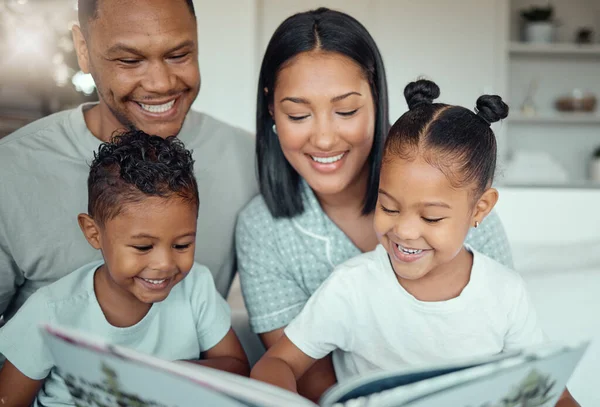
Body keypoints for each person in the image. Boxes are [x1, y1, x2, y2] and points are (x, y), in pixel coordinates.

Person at [236, 8, 513, 400]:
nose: (325, 139)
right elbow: (310, 379)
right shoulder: (264, 231)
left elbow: (512, 356)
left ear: (376, 99)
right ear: (271, 109)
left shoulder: (458, 199)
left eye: (346, 111)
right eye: (298, 114)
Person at [249, 79, 579, 407]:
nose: (404, 231)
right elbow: (277, 364)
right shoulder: (351, 288)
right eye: (388, 207)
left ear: (480, 209)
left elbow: (552, 392)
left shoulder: (505, 294)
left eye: (431, 217)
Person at [0, 0, 256, 327]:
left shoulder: (247, 161)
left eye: (179, 55)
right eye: (130, 60)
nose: (161, 83)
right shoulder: (11, 171)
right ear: (83, 49)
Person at [0, 131, 250, 407]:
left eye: (181, 245)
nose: (165, 264)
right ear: (94, 233)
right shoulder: (51, 311)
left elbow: (238, 368)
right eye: (143, 247)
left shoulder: (196, 287)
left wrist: (171, 376)